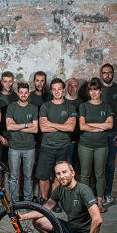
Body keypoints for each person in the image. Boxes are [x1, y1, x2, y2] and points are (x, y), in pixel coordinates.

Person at [19, 161, 102, 233]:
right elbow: (45, 209)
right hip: (70, 229)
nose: (61, 176)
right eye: (58, 174)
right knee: (38, 221)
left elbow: (98, 219)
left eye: (64, 172)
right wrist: (23, 216)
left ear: (72, 173)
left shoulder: (84, 190)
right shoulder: (60, 190)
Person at [37, 78, 77, 209]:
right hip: (47, 146)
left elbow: (71, 128)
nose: (57, 92)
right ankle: (44, 200)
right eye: (54, 89)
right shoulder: (45, 106)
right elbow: (43, 128)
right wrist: (62, 126)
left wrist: (51, 124)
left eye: (59, 89)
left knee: (60, 176)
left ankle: (53, 201)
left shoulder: (70, 107)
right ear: (51, 90)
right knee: (43, 176)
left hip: (63, 146)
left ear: (64, 89)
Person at [77, 78, 114, 212]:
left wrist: (90, 125)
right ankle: (86, 202)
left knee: (100, 174)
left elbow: (110, 125)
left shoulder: (106, 107)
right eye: (91, 90)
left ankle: (99, 202)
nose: (93, 93)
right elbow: (81, 126)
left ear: (100, 91)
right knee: (85, 174)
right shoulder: (84, 106)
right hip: (85, 144)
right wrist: (100, 127)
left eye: (96, 90)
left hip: (101, 145)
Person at [99, 63, 117, 204]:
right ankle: (97, 194)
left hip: (114, 133)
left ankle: (107, 193)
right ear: (101, 74)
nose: (107, 75)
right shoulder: (97, 89)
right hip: (99, 133)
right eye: (105, 73)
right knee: (98, 165)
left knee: (110, 164)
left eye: (110, 72)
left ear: (113, 74)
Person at [5, 82, 38, 201]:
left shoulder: (33, 108)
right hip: (14, 147)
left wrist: (17, 126)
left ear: (28, 93)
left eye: (25, 93)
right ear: (17, 93)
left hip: (29, 147)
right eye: (21, 92)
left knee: (28, 176)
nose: (23, 95)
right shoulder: (12, 107)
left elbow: (35, 129)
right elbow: (9, 127)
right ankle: (14, 201)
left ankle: (28, 200)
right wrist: (26, 124)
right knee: (13, 176)